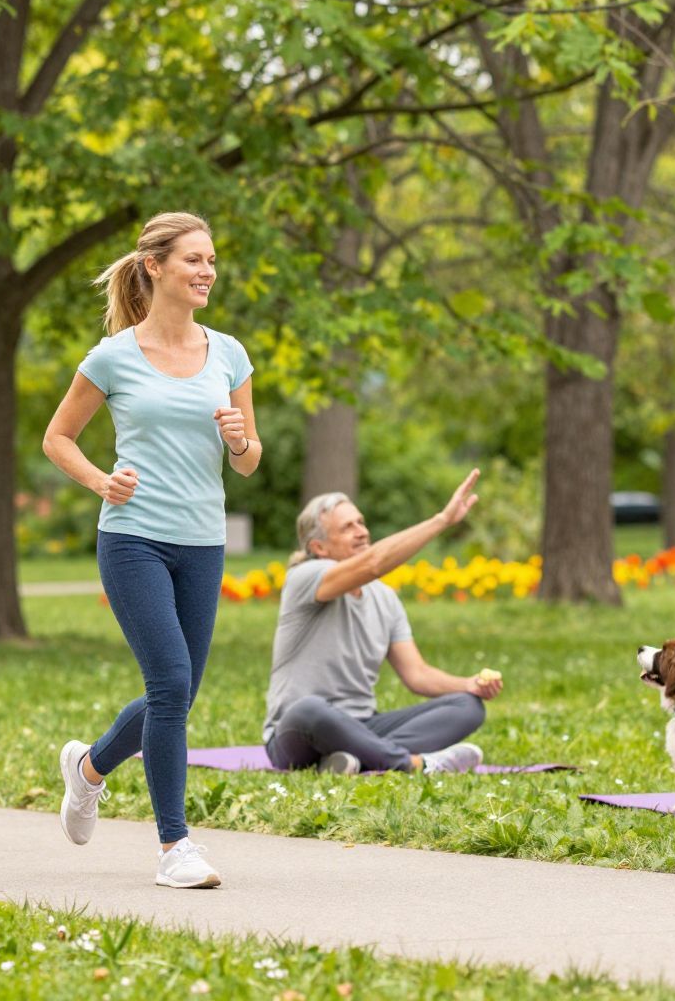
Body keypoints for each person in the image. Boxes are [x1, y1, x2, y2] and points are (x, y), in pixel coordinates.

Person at [43, 211, 259, 889]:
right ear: (156, 266)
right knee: (169, 683)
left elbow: (250, 463)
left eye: (212, 260)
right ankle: (176, 847)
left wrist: (237, 439)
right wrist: (101, 480)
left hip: (202, 542)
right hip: (132, 538)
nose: (207, 272)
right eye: (194, 259)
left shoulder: (228, 353)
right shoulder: (112, 357)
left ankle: (88, 769)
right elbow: (58, 438)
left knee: (178, 696)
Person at [262, 470, 503, 775]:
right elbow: (374, 563)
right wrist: (441, 520)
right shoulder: (305, 578)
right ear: (319, 548)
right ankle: (413, 764)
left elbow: (417, 674)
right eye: (347, 527)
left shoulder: (385, 599)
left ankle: (352, 758)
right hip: (296, 732)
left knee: (466, 707)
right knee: (310, 709)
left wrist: (467, 685)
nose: (361, 531)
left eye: (361, 522)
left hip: (364, 725)